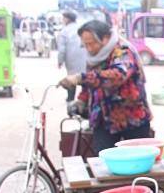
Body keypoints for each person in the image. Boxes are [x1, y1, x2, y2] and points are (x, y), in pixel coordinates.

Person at [58, 20, 152, 153]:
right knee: (103, 164)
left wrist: (80, 78)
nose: (89, 49)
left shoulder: (122, 51)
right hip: (103, 121)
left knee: (136, 163)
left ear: (105, 38)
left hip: (131, 120)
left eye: (91, 44)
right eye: (85, 45)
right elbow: (90, 83)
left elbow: (117, 76)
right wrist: (82, 100)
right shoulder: (94, 57)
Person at [56, 11, 87, 102]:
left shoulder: (64, 31)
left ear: (67, 19)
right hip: (85, 57)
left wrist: (60, 61)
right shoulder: (82, 28)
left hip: (71, 58)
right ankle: (85, 98)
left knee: (71, 77)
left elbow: (62, 49)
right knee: (84, 77)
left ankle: (70, 98)